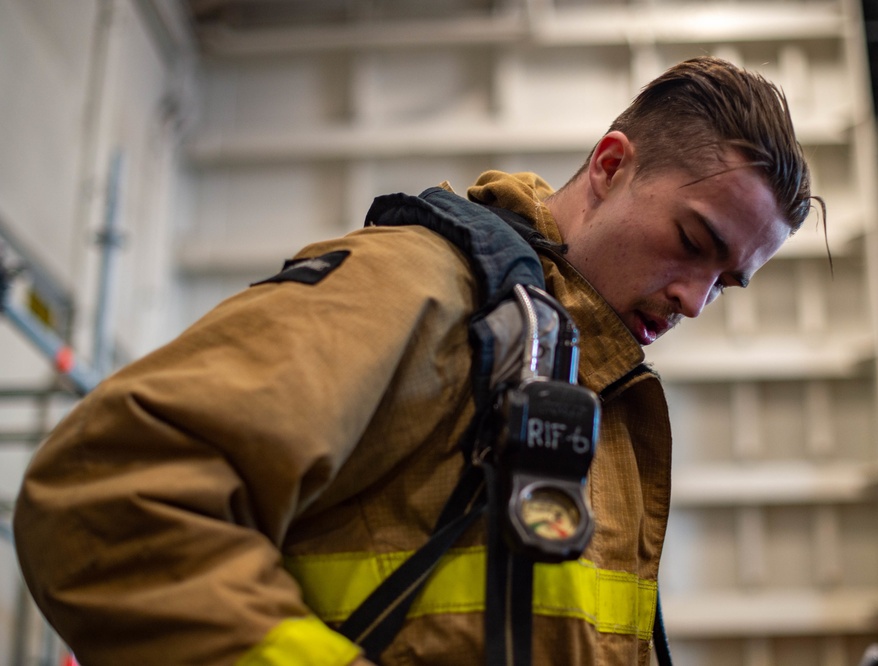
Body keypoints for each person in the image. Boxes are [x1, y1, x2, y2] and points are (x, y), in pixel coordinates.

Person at [14, 56, 818, 666]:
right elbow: (109, 495)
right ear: (611, 168)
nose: (692, 301)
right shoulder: (427, 291)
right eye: (692, 243)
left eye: (727, 283)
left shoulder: (594, 393)